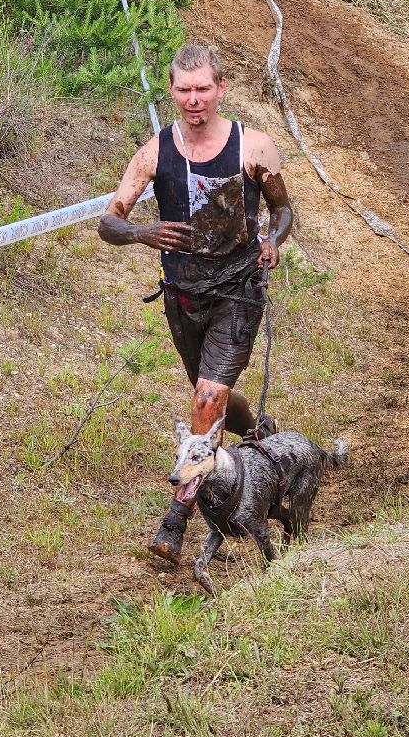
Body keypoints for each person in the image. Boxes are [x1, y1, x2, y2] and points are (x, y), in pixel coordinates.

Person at [99, 43, 295, 565]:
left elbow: (283, 209)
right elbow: (108, 221)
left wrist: (273, 240)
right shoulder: (155, 152)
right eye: (184, 90)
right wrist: (142, 231)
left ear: (221, 89)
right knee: (211, 399)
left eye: (203, 88)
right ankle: (255, 432)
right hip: (183, 299)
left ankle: (175, 520)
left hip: (238, 293)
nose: (194, 100)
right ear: (171, 92)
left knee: (206, 398)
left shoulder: (253, 147)